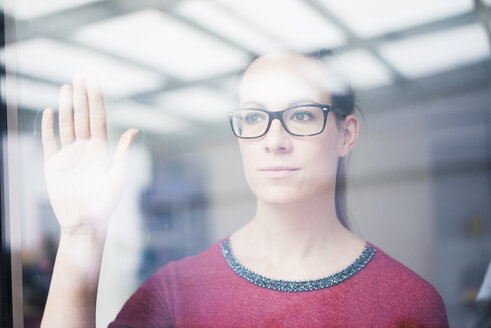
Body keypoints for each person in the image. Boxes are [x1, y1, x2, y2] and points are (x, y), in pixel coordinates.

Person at [40, 52, 449, 327]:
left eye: (303, 115)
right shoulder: (177, 292)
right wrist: (80, 236)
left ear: (346, 135)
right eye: (254, 117)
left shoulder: (409, 303)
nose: (274, 139)